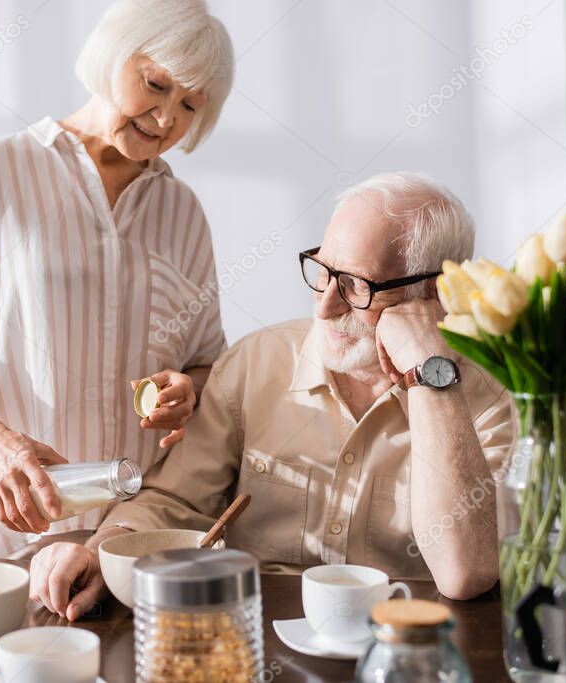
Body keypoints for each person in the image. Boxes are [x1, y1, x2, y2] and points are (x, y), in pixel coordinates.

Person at [30, 172, 514, 619]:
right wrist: (101, 548)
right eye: (323, 271)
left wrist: (432, 378)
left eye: (356, 286)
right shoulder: (255, 364)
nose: (324, 305)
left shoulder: (493, 400)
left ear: (433, 293)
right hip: (251, 638)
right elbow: (172, 501)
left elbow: (465, 573)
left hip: (399, 650)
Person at [0, 0, 235, 562]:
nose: (166, 117)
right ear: (114, 55)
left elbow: (205, 362)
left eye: (189, 105)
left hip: (133, 532)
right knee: (11, 652)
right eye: (155, 84)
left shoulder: (183, 212)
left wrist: (189, 390)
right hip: (14, 520)